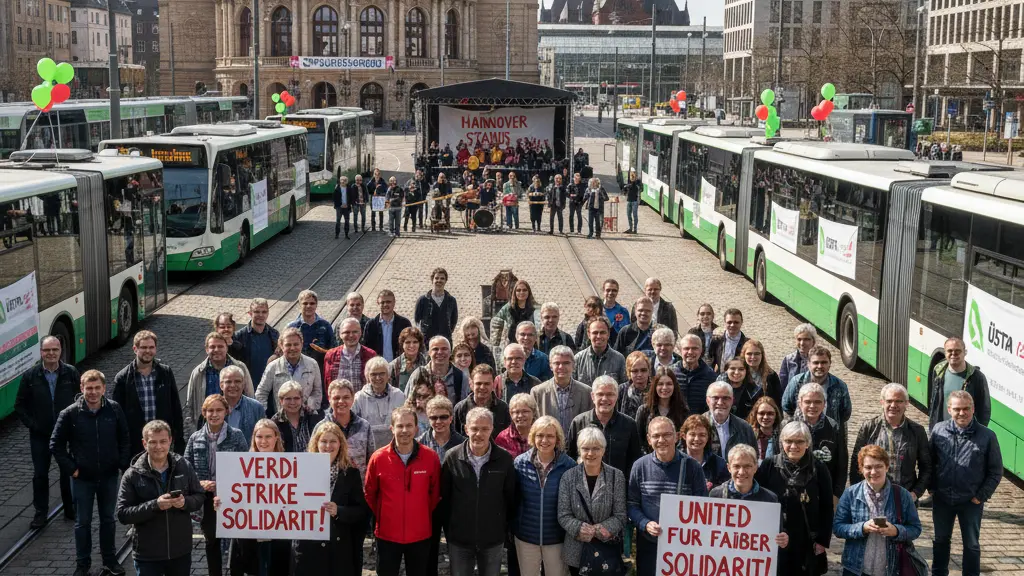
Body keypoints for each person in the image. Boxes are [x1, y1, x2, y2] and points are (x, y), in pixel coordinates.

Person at [51, 369, 130, 576]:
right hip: (82, 479)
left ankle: (110, 560)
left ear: (104, 389)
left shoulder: (114, 409)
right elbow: (56, 445)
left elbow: (125, 438)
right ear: (82, 388)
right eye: (89, 388)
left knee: (108, 520)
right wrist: (72, 469)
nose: (93, 392)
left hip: (108, 476)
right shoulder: (69, 414)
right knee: (82, 523)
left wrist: (120, 464)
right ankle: (82, 564)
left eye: (97, 388)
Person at [116, 420, 204, 576]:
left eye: (163, 441)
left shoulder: (183, 465)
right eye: (153, 442)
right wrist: (155, 505)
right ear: (144, 443)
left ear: (170, 441)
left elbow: (199, 497)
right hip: (147, 555)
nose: (158, 447)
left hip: (180, 552)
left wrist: (185, 502)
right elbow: (123, 514)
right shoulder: (132, 474)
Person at [930, 390, 1003, 576]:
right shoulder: (938, 430)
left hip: (971, 501)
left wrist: (980, 496)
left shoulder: (987, 436)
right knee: (940, 540)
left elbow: (995, 471)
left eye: (966, 409)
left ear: (973, 409)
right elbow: (929, 462)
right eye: (957, 409)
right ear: (949, 409)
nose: (962, 413)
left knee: (971, 544)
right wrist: (932, 488)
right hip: (943, 499)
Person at [628, 416, 708, 576]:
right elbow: (631, 504)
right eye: (656, 436)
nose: (661, 440)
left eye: (667, 435)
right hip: (649, 546)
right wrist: (645, 523)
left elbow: (702, 506)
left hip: (683, 547)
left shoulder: (692, 467)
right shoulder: (640, 466)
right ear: (649, 440)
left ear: (677, 437)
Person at [366, 407, 442, 576]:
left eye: (409, 425)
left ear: (416, 428)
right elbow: (370, 494)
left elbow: (435, 495)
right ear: (392, 428)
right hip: (387, 534)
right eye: (400, 426)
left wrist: (419, 514)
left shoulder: (430, 457)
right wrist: (386, 514)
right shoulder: (378, 458)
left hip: (420, 534)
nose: (405, 430)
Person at [755, 421, 834, 576]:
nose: (793, 446)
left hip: (806, 536)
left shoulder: (819, 468)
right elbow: (757, 498)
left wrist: (822, 541)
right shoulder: (769, 464)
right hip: (775, 535)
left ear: (807, 444)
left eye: (799, 441)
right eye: (789, 441)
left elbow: (827, 506)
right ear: (781, 442)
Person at [292, 422, 370, 576]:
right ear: (316, 443)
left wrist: (339, 511)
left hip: (338, 549)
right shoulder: (300, 470)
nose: (328, 446)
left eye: (333, 441)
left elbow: (361, 511)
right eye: (324, 441)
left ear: (340, 444)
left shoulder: (351, 473)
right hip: (308, 547)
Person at [833, 445, 923, 576]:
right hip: (855, 568)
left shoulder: (902, 495)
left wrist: (896, 531)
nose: (873, 472)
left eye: (878, 466)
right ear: (861, 469)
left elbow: (915, 529)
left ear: (887, 467)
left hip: (892, 569)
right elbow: (838, 528)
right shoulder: (850, 494)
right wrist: (862, 527)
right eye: (868, 467)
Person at [182, 394, 247, 576]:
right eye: (210, 410)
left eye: (219, 410)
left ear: (226, 412)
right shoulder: (195, 438)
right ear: (204, 413)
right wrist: (199, 483)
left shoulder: (237, 435)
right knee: (211, 539)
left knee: (236, 538)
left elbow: (245, 466)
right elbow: (186, 468)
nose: (214, 414)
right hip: (207, 498)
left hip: (232, 495)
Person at [559, 426, 628, 576]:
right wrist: (579, 528)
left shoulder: (616, 476)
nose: (590, 453)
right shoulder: (568, 477)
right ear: (579, 450)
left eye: (596, 448)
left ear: (603, 450)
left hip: (606, 551)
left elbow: (621, 515)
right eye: (585, 448)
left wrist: (599, 530)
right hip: (576, 550)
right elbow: (563, 514)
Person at [510, 416, 574, 576]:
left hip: (556, 538)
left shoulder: (569, 466)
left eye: (550, 436)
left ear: (557, 439)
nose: (544, 440)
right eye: (540, 435)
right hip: (526, 537)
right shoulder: (520, 463)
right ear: (533, 437)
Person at [109, 331, 185, 462]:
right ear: (135, 349)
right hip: (136, 445)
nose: (147, 351)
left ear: (155, 349)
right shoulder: (123, 378)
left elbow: (176, 407)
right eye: (143, 347)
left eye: (151, 347)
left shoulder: (165, 373)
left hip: (161, 443)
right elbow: (117, 417)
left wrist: (179, 440)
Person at [228, 420, 291, 575]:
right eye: (259, 436)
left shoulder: (290, 465)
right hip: (249, 534)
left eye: (268, 436)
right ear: (253, 439)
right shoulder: (242, 465)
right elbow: (234, 497)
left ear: (276, 438)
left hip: (279, 534)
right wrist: (222, 503)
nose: (263, 441)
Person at [849, 383, 931, 501]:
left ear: (906, 404)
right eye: (889, 401)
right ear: (882, 402)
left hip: (904, 497)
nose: (893, 405)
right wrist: (858, 492)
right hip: (872, 496)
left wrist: (915, 493)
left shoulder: (917, 431)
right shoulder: (869, 427)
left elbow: (926, 466)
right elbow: (856, 463)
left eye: (899, 401)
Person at [418, 396, 465, 576]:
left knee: (457, 552)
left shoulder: (462, 444)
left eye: (443, 417)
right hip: (428, 505)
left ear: (451, 418)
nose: (439, 422)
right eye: (434, 417)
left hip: (455, 504)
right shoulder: (420, 444)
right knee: (429, 551)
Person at [566, 376, 642, 476]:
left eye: (610, 394)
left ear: (617, 396)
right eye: (600, 394)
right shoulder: (578, 422)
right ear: (593, 396)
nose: (605, 399)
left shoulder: (629, 424)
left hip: (618, 487)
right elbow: (570, 458)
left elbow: (634, 461)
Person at [183, 333, 255, 436]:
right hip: (207, 430)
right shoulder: (198, 372)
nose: (216, 349)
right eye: (212, 347)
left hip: (237, 427)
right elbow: (190, 405)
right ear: (207, 349)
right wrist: (191, 433)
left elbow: (250, 396)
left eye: (220, 346)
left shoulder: (240, 367)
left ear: (227, 348)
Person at [256, 326, 322, 417]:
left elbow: (317, 391)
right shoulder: (273, 367)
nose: (292, 348)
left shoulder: (312, 364)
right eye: (288, 345)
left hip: (308, 418)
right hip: (282, 419)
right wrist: (263, 414)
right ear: (281, 346)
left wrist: (311, 405)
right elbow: (261, 393)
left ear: (302, 344)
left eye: (296, 344)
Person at [317, 380, 376, 480]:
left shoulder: (364, 426)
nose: (341, 401)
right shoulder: (321, 427)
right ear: (329, 399)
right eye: (336, 398)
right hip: (329, 489)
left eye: (346, 397)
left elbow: (371, 461)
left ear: (353, 399)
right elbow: (313, 460)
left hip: (358, 489)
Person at [927, 336, 991, 429]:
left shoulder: (977, 377)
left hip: (966, 433)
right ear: (945, 353)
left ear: (965, 352)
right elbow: (934, 402)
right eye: (950, 351)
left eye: (958, 351)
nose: (953, 354)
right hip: (942, 431)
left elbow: (984, 411)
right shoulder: (938, 371)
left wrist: (977, 434)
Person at [782, 346, 853, 428]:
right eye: (816, 363)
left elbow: (845, 413)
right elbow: (786, 407)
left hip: (829, 434)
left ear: (830, 364)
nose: (819, 366)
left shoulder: (840, 386)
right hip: (801, 434)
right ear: (808, 364)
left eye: (824, 362)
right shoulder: (796, 382)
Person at [532, 346, 594, 434]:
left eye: (566, 363)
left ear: (573, 365)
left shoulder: (586, 392)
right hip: (548, 445)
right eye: (557, 363)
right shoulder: (538, 392)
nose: (561, 367)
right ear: (550, 366)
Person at [353, 356, 408, 449]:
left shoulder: (399, 395)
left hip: (395, 448)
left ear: (388, 375)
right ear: (367, 377)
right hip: (368, 449)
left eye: (382, 374)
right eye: (373, 374)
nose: (378, 378)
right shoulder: (359, 398)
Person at [635, 367, 689, 453]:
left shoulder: (683, 411)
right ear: (655, 386)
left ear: (674, 386)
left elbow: (684, 442)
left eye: (669, 384)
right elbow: (638, 441)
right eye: (660, 384)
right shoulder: (644, 411)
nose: (664, 387)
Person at [453, 365, 512, 439]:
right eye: (478, 383)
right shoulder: (460, 408)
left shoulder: (503, 408)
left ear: (493, 384)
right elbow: (455, 438)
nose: (482, 387)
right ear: (471, 384)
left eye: (487, 384)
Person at [704, 381, 758, 459]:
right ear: (708, 400)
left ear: (732, 400)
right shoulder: (698, 425)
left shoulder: (744, 427)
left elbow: (753, 458)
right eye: (715, 398)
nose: (720, 402)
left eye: (726, 398)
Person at [233, 298, 279, 386]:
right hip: (247, 386)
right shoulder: (239, 336)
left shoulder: (274, 334)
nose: (261, 315)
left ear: (268, 314)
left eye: (264, 312)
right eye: (257, 312)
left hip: (269, 386)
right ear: (250, 313)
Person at [287, 289, 337, 371]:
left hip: (320, 370)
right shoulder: (292, 327)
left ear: (316, 305)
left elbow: (333, 350)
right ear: (300, 305)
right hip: (297, 371)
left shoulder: (325, 326)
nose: (308, 306)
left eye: (312, 303)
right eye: (305, 303)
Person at [408, 336, 470, 401]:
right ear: (429, 353)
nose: (440, 352)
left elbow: (464, 408)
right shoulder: (419, 375)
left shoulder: (461, 377)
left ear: (450, 352)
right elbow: (408, 404)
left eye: (444, 349)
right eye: (435, 349)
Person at [680, 414, 730, 492]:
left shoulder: (719, 464)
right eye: (692, 434)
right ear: (684, 436)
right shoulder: (675, 460)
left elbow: (726, 492)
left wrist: (713, 488)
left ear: (708, 437)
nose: (697, 439)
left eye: (702, 435)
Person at [324, 317, 378, 388]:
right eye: (347, 332)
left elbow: (375, 382)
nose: (351, 335)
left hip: (364, 399)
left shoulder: (371, 355)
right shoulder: (331, 355)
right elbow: (327, 383)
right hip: (339, 398)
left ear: (360, 333)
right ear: (340, 334)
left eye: (355, 332)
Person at [271, 381, 325, 452]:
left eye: (296, 398)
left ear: (302, 399)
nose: (292, 402)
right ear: (281, 401)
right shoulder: (275, 422)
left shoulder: (313, 416)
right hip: (287, 462)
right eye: (288, 399)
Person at [363, 289, 413, 363]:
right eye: (382, 302)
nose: (385, 304)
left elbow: (410, 345)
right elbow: (366, 348)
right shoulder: (371, 325)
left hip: (400, 367)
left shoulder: (404, 323)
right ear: (378, 303)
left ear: (394, 303)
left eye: (388, 302)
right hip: (378, 366)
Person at [574, 316, 627, 385]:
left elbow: (623, 388)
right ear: (589, 334)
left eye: (602, 332)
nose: (598, 336)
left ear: (608, 334)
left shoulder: (619, 359)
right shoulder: (578, 359)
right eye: (595, 333)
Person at [490, 279, 541, 348]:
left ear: (529, 292)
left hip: (531, 346)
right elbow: (496, 322)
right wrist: (495, 344)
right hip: (513, 346)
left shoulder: (536, 309)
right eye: (518, 290)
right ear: (514, 292)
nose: (521, 292)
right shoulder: (508, 308)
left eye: (524, 290)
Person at [415, 267, 459, 342]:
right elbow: (417, 320)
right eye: (437, 278)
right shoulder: (423, 300)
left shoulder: (451, 301)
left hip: (445, 341)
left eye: (442, 278)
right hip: (426, 342)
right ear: (432, 280)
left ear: (445, 281)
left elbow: (453, 322)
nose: (439, 280)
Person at [677, 333, 718, 413]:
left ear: (701, 350)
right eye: (686, 348)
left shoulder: (711, 377)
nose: (690, 352)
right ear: (680, 350)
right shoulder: (671, 373)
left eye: (695, 348)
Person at [741, 339, 783, 409]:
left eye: (757, 354)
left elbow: (778, 401)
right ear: (744, 355)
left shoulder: (771, 376)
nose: (753, 357)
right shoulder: (738, 374)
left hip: (764, 416)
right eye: (749, 354)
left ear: (762, 355)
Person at [497, 393, 538, 457]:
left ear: (533, 412)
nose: (520, 415)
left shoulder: (541, 434)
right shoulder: (503, 438)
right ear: (511, 414)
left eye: (525, 411)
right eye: (516, 412)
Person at [708, 308, 750, 372]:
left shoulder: (748, 344)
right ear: (725, 322)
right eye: (729, 322)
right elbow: (711, 360)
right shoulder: (716, 340)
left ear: (741, 322)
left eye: (736, 322)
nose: (732, 325)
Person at [778, 323, 817, 387]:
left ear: (813, 342)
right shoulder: (788, 359)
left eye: (806, 339)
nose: (802, 343)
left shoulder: (819, 360)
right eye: (799, 339)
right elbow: (782, 384)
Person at [390, 327, 427, 392]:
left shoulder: (427, 363)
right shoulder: (393, 366)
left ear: (419, 344)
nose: (411, 345)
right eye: (408, 342)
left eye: (415, 342)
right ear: (402, 344)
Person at [748, 397, 783, 464]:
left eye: (770, 413)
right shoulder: (749, 435)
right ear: (756, 415)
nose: (765, 417)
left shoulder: (782, 436)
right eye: (761, 413)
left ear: (776, 415)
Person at [618, 351, 651, 420]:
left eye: (643, 370)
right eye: (635, 371)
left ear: (649, 371)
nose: (639, 374)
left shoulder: (655, 389)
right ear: (629, 372)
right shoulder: (621, 390)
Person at [621, 169, 641, 234]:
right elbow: (624, 190)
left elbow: (640, 189)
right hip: (629, 200)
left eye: (633, 176)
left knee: (635, 215)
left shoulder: (638, 182)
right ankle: (630, 228)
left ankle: (635, 229)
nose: (632, 177)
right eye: (631, 176)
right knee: (628, 215)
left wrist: (633, 184)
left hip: (635, 201)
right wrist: (625, 190)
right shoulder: (629, 182)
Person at [335, 173, 351, 239]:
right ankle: (337, 234)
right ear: (340, 181)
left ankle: (346, 234)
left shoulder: (349, 188)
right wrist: (340, 205)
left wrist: (348, 205)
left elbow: (351, 197)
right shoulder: (337, 189)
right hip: (339, 207)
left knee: (347, 221)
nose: (343, 181)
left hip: (346, 207)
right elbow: (334, 199)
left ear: (346, 181)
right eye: (341, 180)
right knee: (338, 221)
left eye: (344, 180)